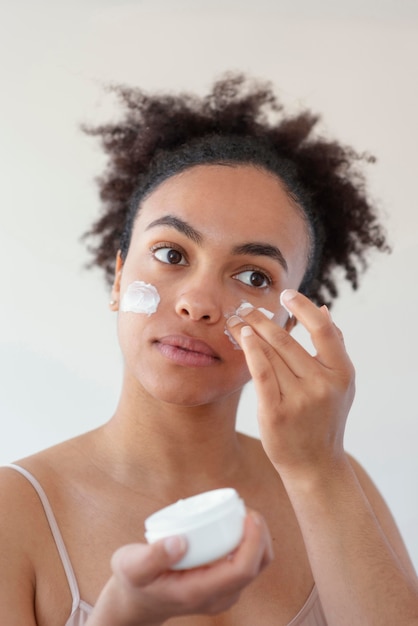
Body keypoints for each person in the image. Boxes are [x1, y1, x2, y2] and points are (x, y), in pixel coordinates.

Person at [1, 72, 417, 626]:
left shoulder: (339, 483)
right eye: (172, 255)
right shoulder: (14, 512)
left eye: (252, 275)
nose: (199, 303)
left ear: (292, 322)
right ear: (118, 278)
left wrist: (319, 469)